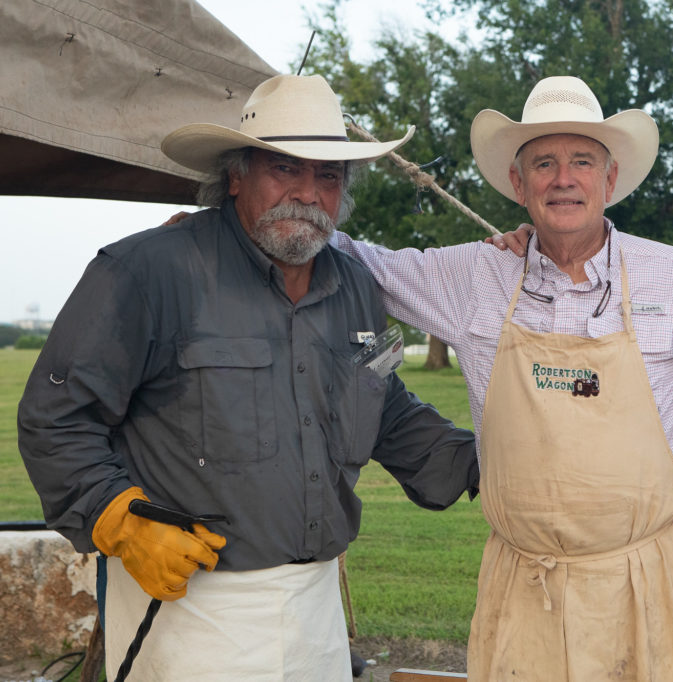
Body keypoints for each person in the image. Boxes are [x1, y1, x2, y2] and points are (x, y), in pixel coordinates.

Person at [17, 74, 479, 681]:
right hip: (192, 610)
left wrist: (489, 460)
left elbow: (384, 400)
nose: (308, 194)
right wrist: (121, 522)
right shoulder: (146, 271)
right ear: (235, 175)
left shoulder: (357, 289)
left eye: (328, 177)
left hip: (316, 609)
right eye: (285, 169)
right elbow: (56, 417)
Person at [331, 76, 673, 680]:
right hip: (523, 585)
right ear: (519, 184)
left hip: (641, 579)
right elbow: (354, 257)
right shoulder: (478, 273)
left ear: (611, 178)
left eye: (581, 161)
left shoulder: (671, 275)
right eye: (543, 163)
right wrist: (226, 230)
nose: (563, 178)